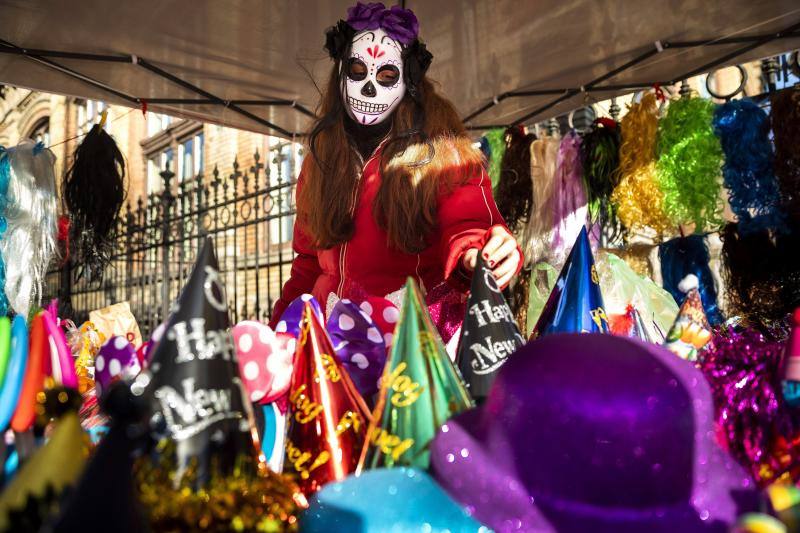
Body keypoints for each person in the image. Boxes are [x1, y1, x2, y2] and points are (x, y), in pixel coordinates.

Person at [271, 2, 522, 342]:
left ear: (409, 82)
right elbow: (307, 265)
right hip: (332, 346)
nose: (369, 87)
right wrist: (279, 335)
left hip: (412, 343)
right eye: (357, 71)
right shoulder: (320, 161)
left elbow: (469, 220)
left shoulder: (442, 150)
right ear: (341, 75)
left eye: (387, 75)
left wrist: (480, 250)